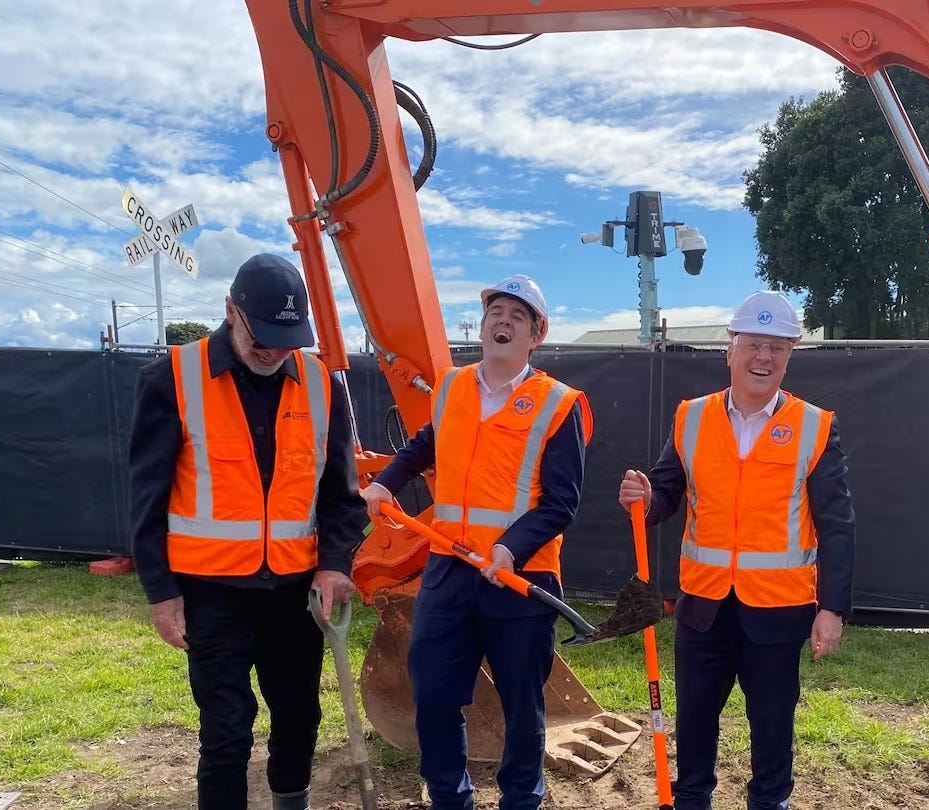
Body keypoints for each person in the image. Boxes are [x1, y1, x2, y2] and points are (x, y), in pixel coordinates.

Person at [129, 253, 368, 810]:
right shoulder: (171, 379)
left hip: (294, 588)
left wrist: (335, 563)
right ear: (230, 310)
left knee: (299, 715)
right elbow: (147, 498)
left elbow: (341, 492)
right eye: (263, 335)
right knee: (227, 727)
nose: (274, 350)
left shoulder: (321, 385)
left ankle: (292, 803)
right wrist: (162, 594)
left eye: (289, 339)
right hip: (211, 593)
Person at [361, 274, 592, 810]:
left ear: (536, 334)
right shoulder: (452, 386)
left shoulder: (559, 404)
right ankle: (449, 798)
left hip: (520, 577)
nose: (503, 321)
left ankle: (520, 799)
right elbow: (425, 446)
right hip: (448, 570)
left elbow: (562, 501)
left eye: (517, 315)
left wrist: (510, 547)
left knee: (521, 704)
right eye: (496, 312)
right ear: (484, 325)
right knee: (436, 695)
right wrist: (385, 482)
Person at [617, 290, 856, 810]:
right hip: (702, 608)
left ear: (790, 356)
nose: (763, 358)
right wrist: (644, 498)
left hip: (778, 612)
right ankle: (692, 800)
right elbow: (666, 493)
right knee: (695, 722)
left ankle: (770, 802)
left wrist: (831, 608)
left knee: (772, 728)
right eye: (753, 344)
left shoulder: (814, 427)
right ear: (730, 349)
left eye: (776, 347)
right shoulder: (691, 418)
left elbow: (837, 525)